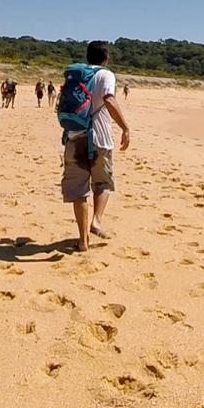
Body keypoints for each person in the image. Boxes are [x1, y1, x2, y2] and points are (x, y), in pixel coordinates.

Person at [61, 41, 131, 252]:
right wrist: (125, 127)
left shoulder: (77, 75)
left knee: (79, 192)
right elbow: (109, 100)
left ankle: (83, 241)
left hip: (73, 137)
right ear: (106, 58)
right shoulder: (105, 75)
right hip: (99, 138)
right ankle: (96, 221)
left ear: (88, 56)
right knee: (103, 183)